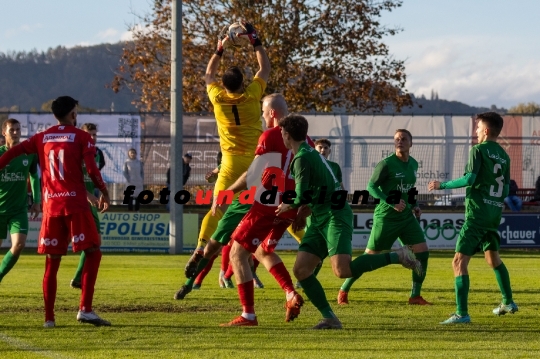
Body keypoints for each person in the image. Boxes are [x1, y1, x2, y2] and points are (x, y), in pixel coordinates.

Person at [275, 115, 422, 329]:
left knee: (342, 271)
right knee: (301, 270)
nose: (281, 135)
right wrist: (300, 210)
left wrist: (286, 206)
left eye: (281, 132)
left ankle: (398, 255)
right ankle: (330, 318)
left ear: (286, 135)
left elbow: (301, 195)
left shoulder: (303, 158)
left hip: (335, 215)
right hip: (319, 218)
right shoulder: (306, 154)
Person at [0, 96, 111, 327]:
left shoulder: (41, 138)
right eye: (76, 111)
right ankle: (85, 310)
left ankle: (49, 319)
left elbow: (11, 154)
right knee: (93, 251)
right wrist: (103, 192)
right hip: (75, 205)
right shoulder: (81, 137)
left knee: (52, 262)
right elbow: (91, 169)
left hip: (51, 208)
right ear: (73, 114)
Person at [181, 21, 271, 281]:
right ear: (243, 83)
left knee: (217, 208)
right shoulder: (252, 95)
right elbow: (264, 68)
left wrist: (219, 48)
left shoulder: (217, 98)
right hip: (256, 163)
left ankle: (200, 246)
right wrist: (255, 40)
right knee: (267, 209)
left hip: (230, 162)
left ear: (224, 85)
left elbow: (209, 75)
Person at [428, 112, 517, 324]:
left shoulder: (478, 150)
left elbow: (469, 178)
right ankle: (508, 301)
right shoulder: (505, 156)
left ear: (486, 131)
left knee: (458, 261)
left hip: (477, 215)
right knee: (492, 258)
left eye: (477, 128)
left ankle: (462, 313)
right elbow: (505, 190)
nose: (475, 132)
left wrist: (443, 186)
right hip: (494, 214)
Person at [337, 130, 431, 306]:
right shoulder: (386, 164)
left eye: (404, 139)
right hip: (386, 218)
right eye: (396, 139)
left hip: (406, 218)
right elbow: (371, 187)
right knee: (370, 256)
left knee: (423, 253)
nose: (400, 142)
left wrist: (415, 204)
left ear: (411, 143)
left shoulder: (414, 164)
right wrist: (391, 201)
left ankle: (415, 296)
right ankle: (344, 289)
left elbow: (409, 189)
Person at [0, 119, 41, 283]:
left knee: (18, 245)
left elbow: (34, 176)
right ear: (4, 133)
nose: (16, 133)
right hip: (0, 208)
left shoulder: (29, 153)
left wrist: (37, 200)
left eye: (18, 129)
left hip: (19, 209)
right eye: (12, 130)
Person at [70, 123, 105, 289]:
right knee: (93, 242)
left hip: (91, 202)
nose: (93, 138)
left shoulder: (96, 154)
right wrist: (88, 195)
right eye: (89, 134)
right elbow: (72, 180)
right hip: (79, 201)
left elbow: (94, 176)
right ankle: (78, 279)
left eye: (95, 134)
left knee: (96, 242)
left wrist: (99, 194)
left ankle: (78, 279)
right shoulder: (76, 153)